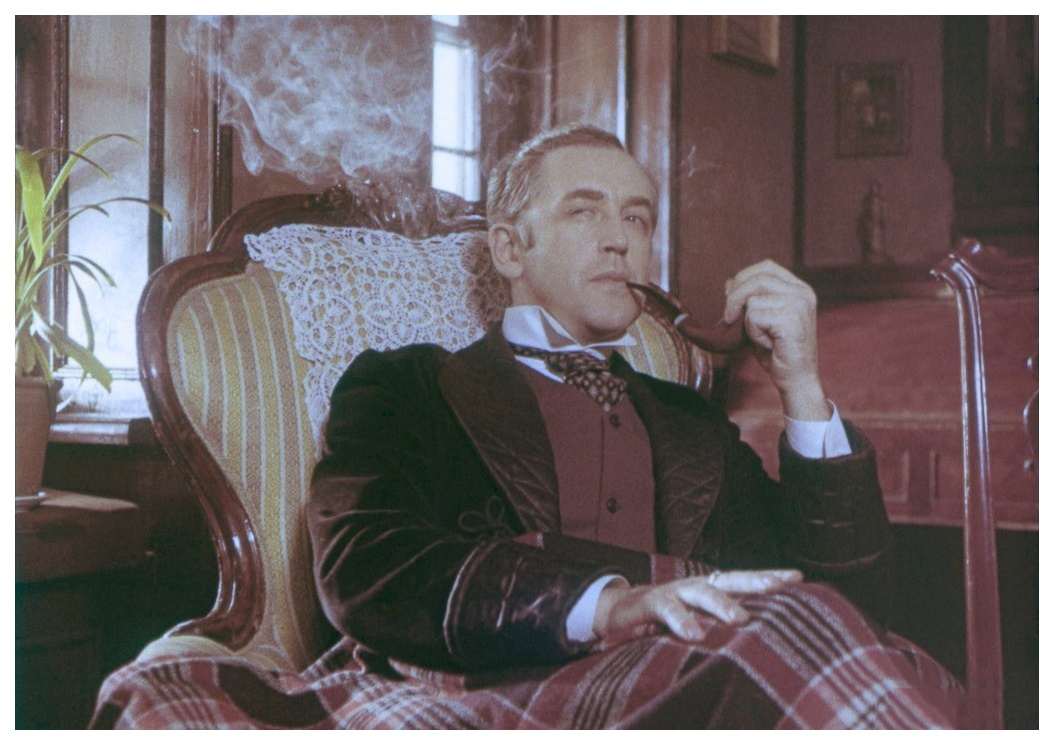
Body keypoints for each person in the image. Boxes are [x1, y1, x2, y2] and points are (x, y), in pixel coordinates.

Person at [307, 124, 957, 728]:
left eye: (636, 218)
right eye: (584, 211)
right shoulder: (406, 388)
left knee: (897, 658)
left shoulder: (691, 423)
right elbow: (365, 566)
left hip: (690, 690)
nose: (619, 239)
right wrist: (610, 605)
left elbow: (843, 604)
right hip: (504, 688)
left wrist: (802, 386)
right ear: (509, 248)